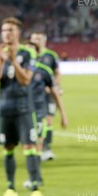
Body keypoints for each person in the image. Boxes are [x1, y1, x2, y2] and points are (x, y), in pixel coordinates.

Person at [0, 17, 47, 196]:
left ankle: (35, 189)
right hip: (5, 109)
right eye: (4, 30)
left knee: (29, 147)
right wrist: (0, 62)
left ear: (18, 33)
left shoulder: (28, 53)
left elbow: (26, 80)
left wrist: (13, 61)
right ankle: (10, 188)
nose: (7, 33)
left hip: (24, 108)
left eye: (10, 30)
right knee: (8, 149)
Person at [23, 41, 68, 189]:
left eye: (30, 51)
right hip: (22, 113)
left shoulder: (43, 71)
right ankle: (35, 177)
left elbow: (55, 93)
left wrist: (63, 115)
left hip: (39, 112)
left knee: (37, 144)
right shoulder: (20, 73)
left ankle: (35, 178)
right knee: (28, 146)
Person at [29, 32, 61, 161]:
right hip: (32, 95)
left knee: (48, 121)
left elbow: (57, 73)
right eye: (34, 38)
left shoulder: (51, 55)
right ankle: (35, 146)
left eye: (39, 38)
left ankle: (46, 148)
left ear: (45, 40)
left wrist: (55, 86)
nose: (37, 40)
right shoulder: (28, 54)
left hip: (47, 94)